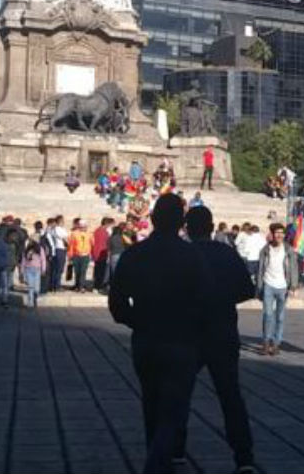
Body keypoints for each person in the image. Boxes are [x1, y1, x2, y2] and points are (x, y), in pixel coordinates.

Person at [108, 194, 211, 474]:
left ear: (152, 219)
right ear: (181, 222)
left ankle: (157, 456)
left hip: (146, 340)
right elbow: (206, 302)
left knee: (151, 403)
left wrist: (138, 320)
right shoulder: (193, 256)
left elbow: (116, 304)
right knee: (175, 408)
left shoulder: (134, 254)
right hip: (182, 340)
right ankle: (158, 462)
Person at [180, 206, 256, 473]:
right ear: (212, 227)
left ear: (186, 228)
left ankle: (177, 449)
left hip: (188, 334)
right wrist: (223, 299)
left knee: (180, 393)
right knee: (230, 395)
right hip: (222, 331)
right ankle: (244, 456)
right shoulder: (226, 253)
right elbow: (247, 289)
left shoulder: (183, 255)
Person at [256, 223, 299, 356]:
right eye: (277, 232)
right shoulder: (265, 250)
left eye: (282, 232)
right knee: (268, 315)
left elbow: (293, 268)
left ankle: (276, 343)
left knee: (280, 317)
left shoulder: (288, 250)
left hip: (283, 286)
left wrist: (293, 286)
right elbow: (260, 269)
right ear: (272, 234)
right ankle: (266, 342)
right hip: (268, 284)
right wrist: (259, 287)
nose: (279, 235)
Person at [69, 218, 93, 292]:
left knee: (83, 271)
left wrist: (91, 254)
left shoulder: (89, 234)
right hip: (76, 255)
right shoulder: (74, 234)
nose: (83, 228)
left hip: (85, 255)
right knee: (77, 271)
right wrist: (70, 255)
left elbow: (92, 244)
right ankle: (77, 285)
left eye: (84, 226)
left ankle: (81, 286)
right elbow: (71, 245)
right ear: (79, 226)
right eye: (81, 226)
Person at [92, 217, 114, 293]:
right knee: (101, 271)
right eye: (110, 224)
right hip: (102, 254)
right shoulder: (104, 232)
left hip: (97, 253)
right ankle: (98, 286)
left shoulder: (96, 231)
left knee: (98, 271)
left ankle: (96, 286)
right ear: (107, 224)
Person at [22, 240, 45, 308]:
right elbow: (23, 260)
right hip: (28, 269)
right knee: (30, 287)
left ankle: (35, 297)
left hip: (37, 270)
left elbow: (43, 260)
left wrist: (43, 269)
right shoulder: (27, 250)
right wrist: (22, 271)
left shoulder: (40, 249)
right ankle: (30, 302)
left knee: (36, 288)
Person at [48, 216, 68, 292]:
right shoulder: (58, 229)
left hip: (57, 249)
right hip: (60, 249)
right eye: (62, 221)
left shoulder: (53, 229)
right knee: (59, 269)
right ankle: (57, 286)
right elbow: (64, 238)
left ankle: (53, 285)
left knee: (55, 269)